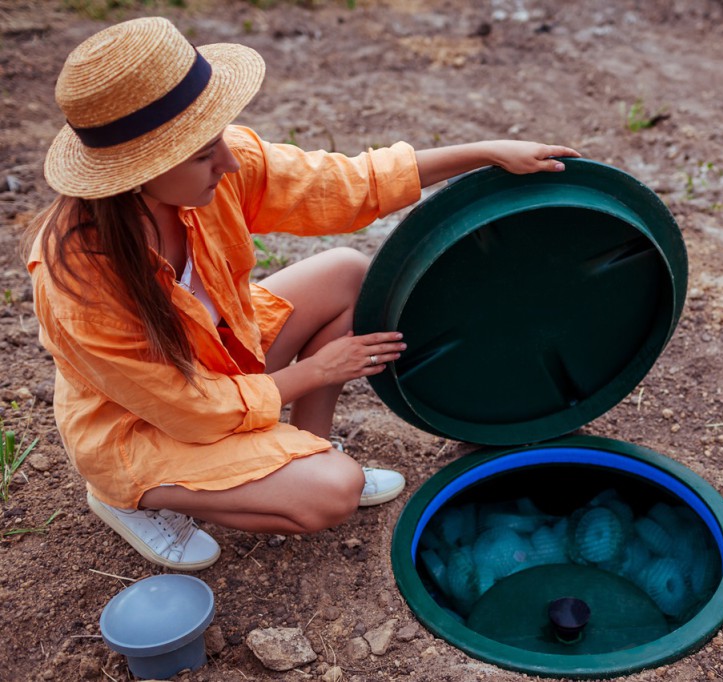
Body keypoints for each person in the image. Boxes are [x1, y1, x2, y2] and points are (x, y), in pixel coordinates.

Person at [25, 16, 580, 571]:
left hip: (223, 367)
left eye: (216, 139)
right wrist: (315, 371)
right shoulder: (80, 280)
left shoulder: (213, 169)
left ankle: (304, 449)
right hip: (146, 423)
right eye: (202, 155)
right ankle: (132, 494)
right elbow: (188, 411)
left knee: (345, 272)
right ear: (138, 173)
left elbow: (343, 186)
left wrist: (485, 151)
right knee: (334, 491)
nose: (230, 161)